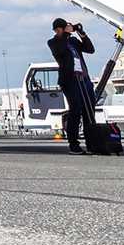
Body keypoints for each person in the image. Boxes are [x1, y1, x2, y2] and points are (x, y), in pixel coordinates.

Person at [48, 18, 98, 154]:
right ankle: (73, 144)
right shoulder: (53, 42)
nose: (60, 32)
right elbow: (61, 52)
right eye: (59, 30)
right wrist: (65, 33)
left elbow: (90, 49)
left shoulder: (73, 41)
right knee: (75, 110)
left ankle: (91, 143)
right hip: (69, 80)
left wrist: (81, 33)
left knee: (89, 110)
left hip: (83, 79)